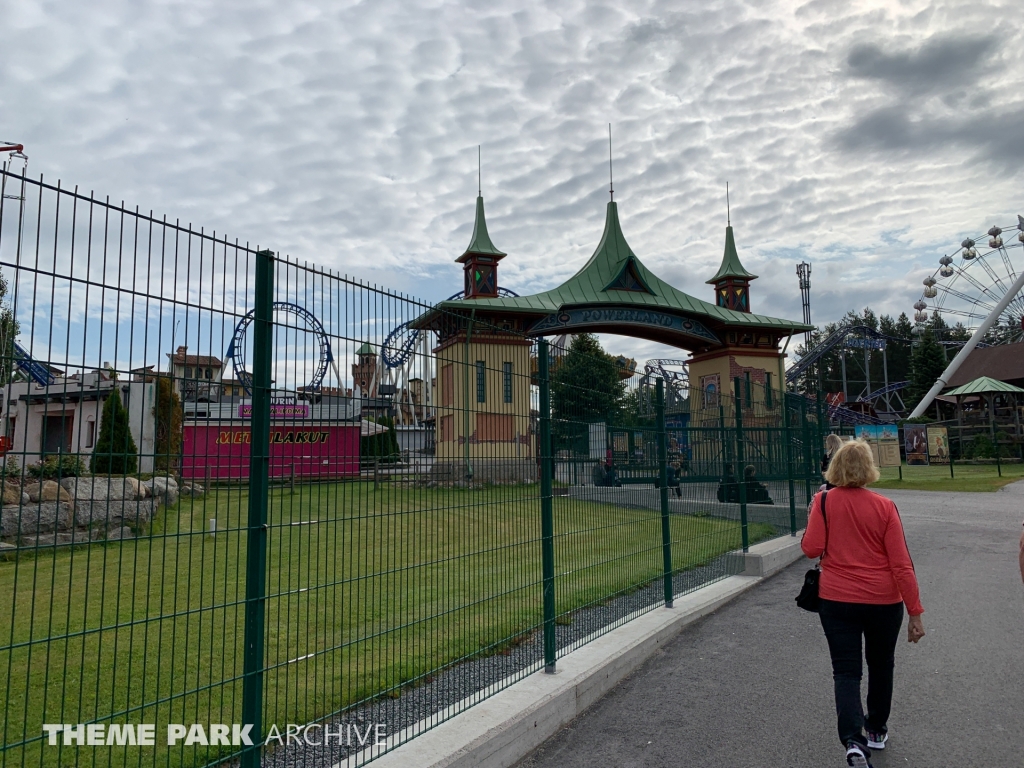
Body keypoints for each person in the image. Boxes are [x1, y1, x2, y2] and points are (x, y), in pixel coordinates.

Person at [801, 439, 925, 768]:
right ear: (870, 468)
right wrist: (915, 611)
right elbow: (901, 564)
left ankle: (853, 741)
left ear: (836, 467)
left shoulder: (823, 501)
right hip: (884, 601)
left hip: (837, 599)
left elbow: (811, 549)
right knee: (882, 665)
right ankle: (876, 729)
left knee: (846, 671)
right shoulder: (885, 507)